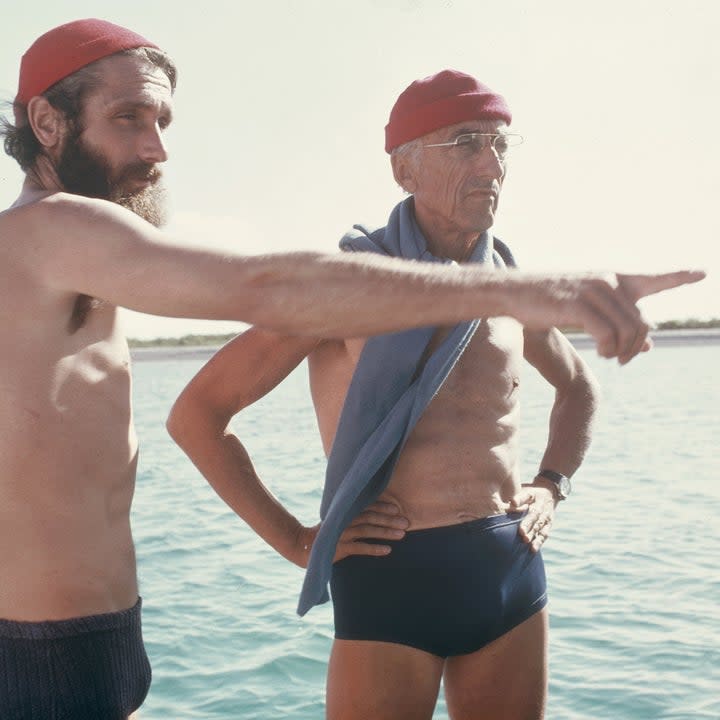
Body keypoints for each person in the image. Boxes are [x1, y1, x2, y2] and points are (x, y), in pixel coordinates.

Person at [166, 69, 703, 719]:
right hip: (390, 579)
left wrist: (552, 483)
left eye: (501, 144)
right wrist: (297, 541)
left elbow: (578, 388)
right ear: (404, 171)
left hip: (507, 569)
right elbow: (198, 414)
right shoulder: (344, 291)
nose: (491, 163)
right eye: (466, 143)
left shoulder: (509, 288)